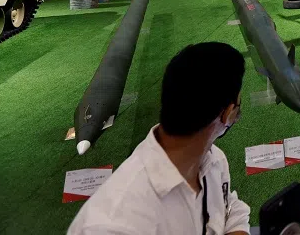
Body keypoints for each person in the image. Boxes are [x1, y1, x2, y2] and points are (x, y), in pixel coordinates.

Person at [67, 42, 250, 235]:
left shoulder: (213, 161)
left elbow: (228, 207)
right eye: (238, 103)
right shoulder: (110, 225)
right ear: (228, 113)